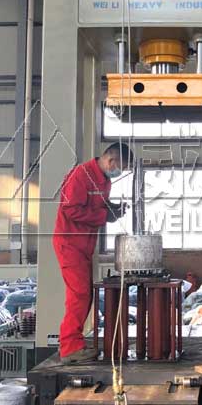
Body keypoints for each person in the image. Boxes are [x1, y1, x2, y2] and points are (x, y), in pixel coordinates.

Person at [53, 142, 132, 364]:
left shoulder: (104, 180)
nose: (120, 173)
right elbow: (70, 209)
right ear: (111, 161)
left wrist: (112, 209)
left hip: (84, 246)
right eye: (122, 168)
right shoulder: (81, 175)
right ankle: (69, 347)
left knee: (84, 294)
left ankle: (73, 343)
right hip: (70, 244)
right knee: (79, 295)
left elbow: (96, 205)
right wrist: (104, 216)